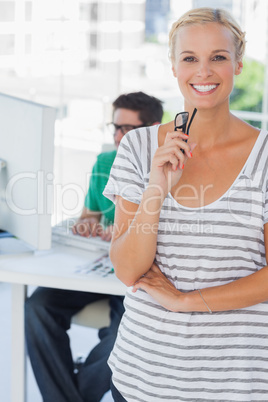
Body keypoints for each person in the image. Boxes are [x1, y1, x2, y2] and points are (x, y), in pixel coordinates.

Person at [104, 8, 268, 402]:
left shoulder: (264, 156)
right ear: (174, 67)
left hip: (236, 383)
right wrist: (156, 188)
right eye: (190, 58)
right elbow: (127, 269)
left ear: (238, 64)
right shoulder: (138, 147)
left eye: (218, 57)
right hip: (142, 377)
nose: (204, 72)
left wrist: (185, 302)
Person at [25, 91, 163, 402]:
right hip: (98, 268)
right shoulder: (104, 162)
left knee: (120, 339)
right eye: (114, 127)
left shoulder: (167, 169)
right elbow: (90, 215)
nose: (117, 136)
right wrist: (89, 225)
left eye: (126, 129)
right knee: (37, 307)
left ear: (152, 128)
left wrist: (128, 230)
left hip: (136, 277)